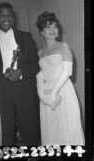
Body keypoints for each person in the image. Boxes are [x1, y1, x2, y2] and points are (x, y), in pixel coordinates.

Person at [0, 2, 40, 146]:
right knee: (5, 133)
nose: (6, 18)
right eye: (2, 15)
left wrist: (20, 73)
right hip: (1, 91)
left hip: (25, 89)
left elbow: (35, 64)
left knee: (30, 131)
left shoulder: (26, 37)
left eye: (9, 15)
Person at [36, 11, 85, 145]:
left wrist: (54, 92)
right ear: (41, 32)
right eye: (48, 27)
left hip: (63, 91)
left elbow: (67, 71)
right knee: (52, 130)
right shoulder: (39, 53)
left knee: (68, 130)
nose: (52, 30)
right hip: (46, 96)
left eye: (55, 26)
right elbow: (41, 75)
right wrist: (41, 93)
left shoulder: (64, 46)